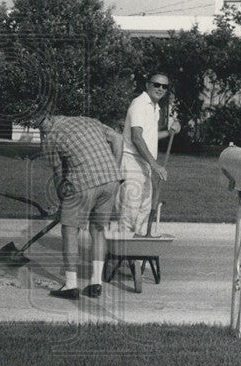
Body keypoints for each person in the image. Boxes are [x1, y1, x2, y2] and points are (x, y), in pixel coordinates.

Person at [37, 111, 124, 299]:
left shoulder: (50, 138)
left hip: (83, 183)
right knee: (98, 229)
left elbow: (59, 173)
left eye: (41, 125)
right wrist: (115, 170)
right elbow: (117, 138)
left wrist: (62, 200)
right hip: (111, 181)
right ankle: (96, 283)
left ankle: (70, 285)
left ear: (50, 118)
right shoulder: (88, 120)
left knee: (69, 229)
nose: (42, 131)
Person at [118, 72, 180, 236]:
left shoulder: (155, 108)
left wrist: (169, 132)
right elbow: (137, 138)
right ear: (147, 85)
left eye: (164, 86)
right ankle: (123, 258)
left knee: (143, 211)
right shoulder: (139, 105)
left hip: (144, 163)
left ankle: (136, 256)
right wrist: (155, 165)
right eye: (156, 85)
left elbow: (149, 136)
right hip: (132, 161)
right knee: (130, 211)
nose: (160, 89)